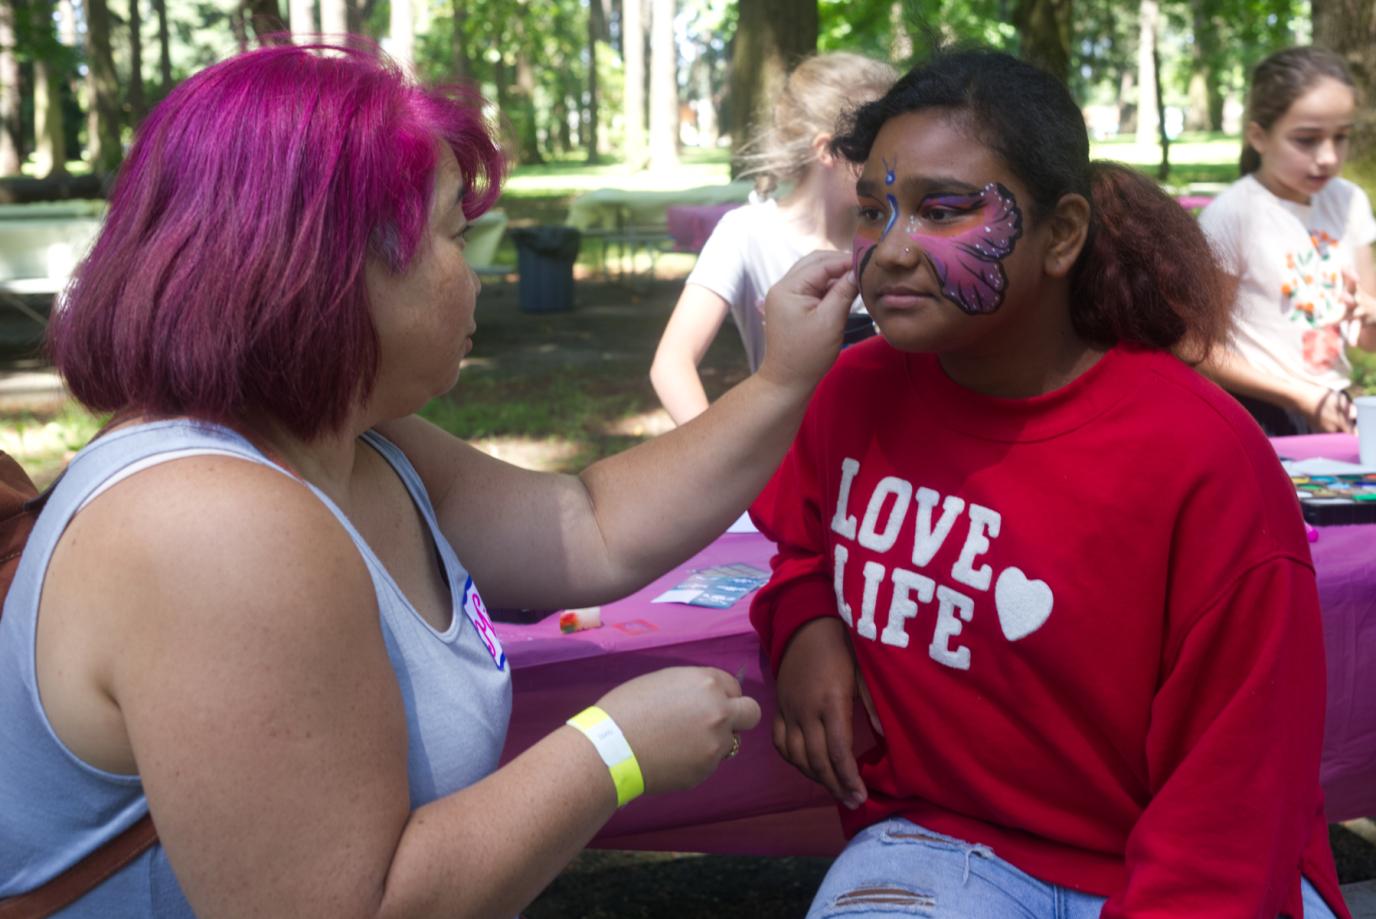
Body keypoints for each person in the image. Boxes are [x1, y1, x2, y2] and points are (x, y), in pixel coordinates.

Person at [0, 41, 860, 916]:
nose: (477, 269)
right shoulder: (215, 529)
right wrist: (615, 749)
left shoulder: (351, 439)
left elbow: (590, 522)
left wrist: (781, 379)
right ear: (333, 265)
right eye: (454, 232)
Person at [748, 49, 1350, 919]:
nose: (892, 249)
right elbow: (797, 539)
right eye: (875, 210)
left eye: (943, 210)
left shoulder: (1201, 456)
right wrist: (805, 621)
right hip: (941, 846)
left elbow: (1239, 792)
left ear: (1062, 235)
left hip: (1200, 870)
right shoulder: (852, 392)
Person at [650, 52, 896, 425]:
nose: (890, 164)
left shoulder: (892, 235)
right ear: (827, 150)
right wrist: (719, 462)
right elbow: (671, 364)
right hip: (785, 459)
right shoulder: (746, 232)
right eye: (874, 148)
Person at [1198, 46, 1376, 435]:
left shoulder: (1350, 202)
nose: (1328, 157)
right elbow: (1197, 346)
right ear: (1259, 137)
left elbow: (1367, 339)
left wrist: (1371, 314)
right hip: (1258, 418)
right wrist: (1299, 396)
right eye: (1307, 140)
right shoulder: (1234, 214)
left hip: (1335, 409)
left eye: (1341, 137)